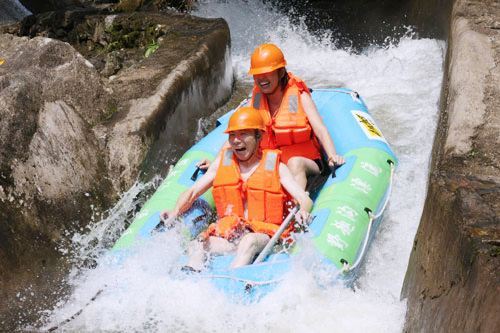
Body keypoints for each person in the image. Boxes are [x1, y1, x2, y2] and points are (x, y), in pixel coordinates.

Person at [161, 107, 313, 271]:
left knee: (249, 241)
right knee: (197, 244)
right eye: (232, 135)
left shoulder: (277, 167)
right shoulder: (222, 164)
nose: (236, 140)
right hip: (232, 235)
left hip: (266, 237)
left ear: (258, 136)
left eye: (243, 134)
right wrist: (175, 212)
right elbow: (192, 192)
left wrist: (303, 211)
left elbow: (304, 199)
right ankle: (190, 274)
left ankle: (234, 280)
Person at [246, 43, 345, 189]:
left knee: (295, 163)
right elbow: (241, 133)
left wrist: (332, 156)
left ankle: (297, 207)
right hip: (275, 167)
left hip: (308, 166)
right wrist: (218, 160)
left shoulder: (300, 96)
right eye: (257, 74)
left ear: (280, 72)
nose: (262, 79)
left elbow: (320, 129)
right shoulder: (256, 101)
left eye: (267, 72)